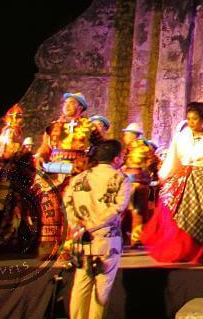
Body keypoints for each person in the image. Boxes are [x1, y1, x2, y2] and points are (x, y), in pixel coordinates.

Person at [142, 102, 203, 263]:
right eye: (189, 119)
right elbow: (173, 158)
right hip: (182, 179)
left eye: (195, 119)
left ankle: (197, 251)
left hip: (202, 179)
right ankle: (178, 249)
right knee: (172, 211)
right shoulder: (181, 137)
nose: (191, 122)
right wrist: (165, 174)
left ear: (202, 119)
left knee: (201, 213)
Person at [63, 139, 131, 319]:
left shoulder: (79, 178)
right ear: (116, 159)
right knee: (102, 288)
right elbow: (118, 208)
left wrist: (77, 225)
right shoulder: (121, 179)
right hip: (106, 239)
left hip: (81, 238)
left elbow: (67, 203)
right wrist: (94, 226)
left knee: (81, 285)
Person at [34, 92, 102, 259]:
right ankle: (48, 246)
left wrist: (88, 163)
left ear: (80, 107)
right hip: (54, 171)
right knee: (50, 207)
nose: (67, 105)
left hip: (77, 172)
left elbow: (101, 149)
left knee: (71, 210)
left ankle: (69, 246)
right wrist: (40, 158)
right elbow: (44, 148)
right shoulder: (53, 126)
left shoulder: (90, 127)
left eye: (72, 103)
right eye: (66, 102)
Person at [0, 104, 37, 253]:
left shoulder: (14, 134)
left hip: (12, 179)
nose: (17, 120)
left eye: (19, 118)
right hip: (2, 178)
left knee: (11, 209)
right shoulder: (7, 134)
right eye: (14, 117)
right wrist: (20, 152)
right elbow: (6, 153)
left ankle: (5, 240)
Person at [120, 122, 159, 247]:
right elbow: (153, 163)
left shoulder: (139, 148)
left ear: (132, 135)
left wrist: (145, 174)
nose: (124, 138)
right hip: (136, 182)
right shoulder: (134, 148)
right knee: (136, 212)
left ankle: (130, 238)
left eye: (126, 135)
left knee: (132, 211)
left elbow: (153, 162)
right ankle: (134, 238)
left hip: (134, 183)